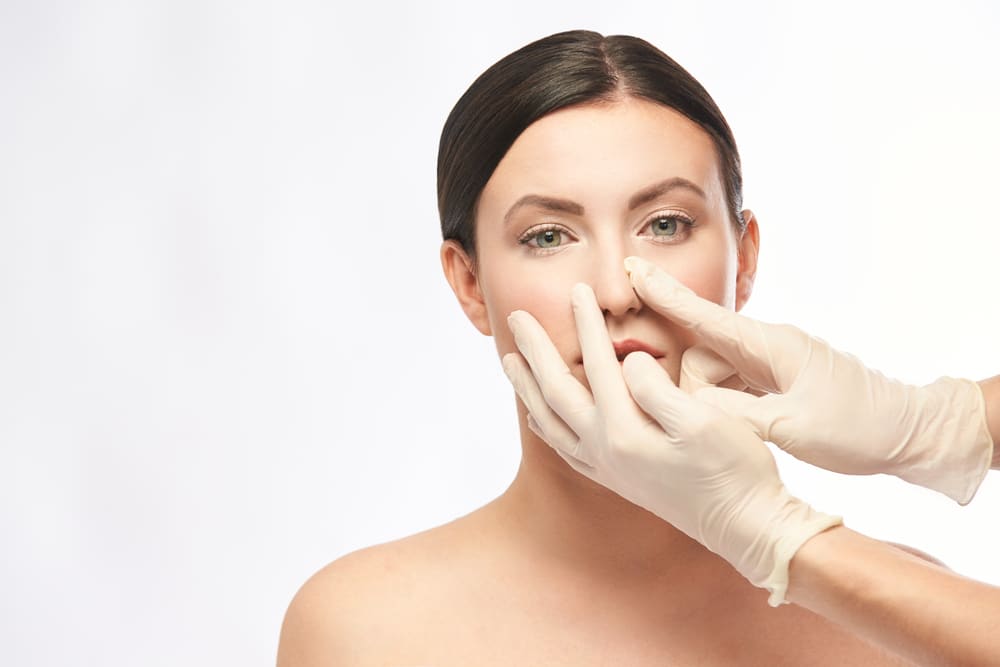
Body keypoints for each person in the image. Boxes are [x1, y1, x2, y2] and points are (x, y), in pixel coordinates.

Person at [276, 30, 976, 665]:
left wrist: (937, 428)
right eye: (548, 235)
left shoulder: (911, 624)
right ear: (470, 283)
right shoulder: (361, 631)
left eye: (666, 224)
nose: (616, 290)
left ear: (745, 259)